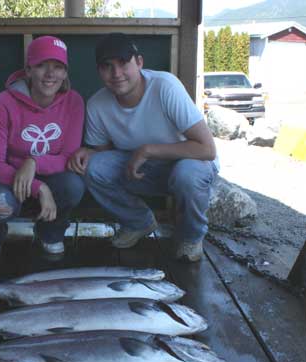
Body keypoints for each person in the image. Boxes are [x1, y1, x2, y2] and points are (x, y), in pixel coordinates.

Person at [68, 33, 217, 262]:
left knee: (187, 174)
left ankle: (191, 237)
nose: (116, 74)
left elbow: (207, 149)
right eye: (107, 66)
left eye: (123, 63)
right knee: (92, 167)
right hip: (141, 171)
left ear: (139, 62)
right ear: (99, 71)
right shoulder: (97, 104)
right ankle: (139, 223)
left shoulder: (166, 86)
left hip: (189, 166)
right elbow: (103, 151)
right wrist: (89, 152)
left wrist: (147, 150)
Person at [0, 36, 85, 256]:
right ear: (28, 70)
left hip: (49, 173)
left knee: (73, 185)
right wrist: (39, 188)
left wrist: (33, 161)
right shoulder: (3, 102)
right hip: (7, 178)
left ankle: (50, 232)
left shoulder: (74, 101)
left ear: (65, 73)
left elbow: (69, 156)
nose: (50, 74)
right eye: (41, 65)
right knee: (2, 204)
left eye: (58, 67)